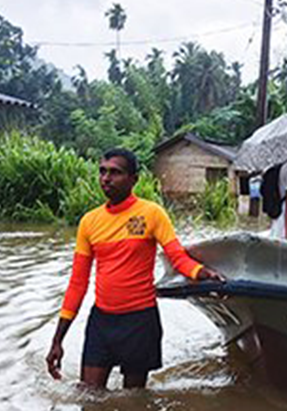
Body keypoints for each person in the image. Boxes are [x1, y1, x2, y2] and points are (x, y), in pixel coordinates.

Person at [46, 148, 224, 389]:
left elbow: (177, 257)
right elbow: (78, 284)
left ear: (133, 179)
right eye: (102, 172)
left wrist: (202, 273)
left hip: (140, 322)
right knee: (89, 398)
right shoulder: (89, 222)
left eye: (115, 172)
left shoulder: (151, 214)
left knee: (134, 403)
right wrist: (58, 340)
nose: (106, 178)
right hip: (102, 323)